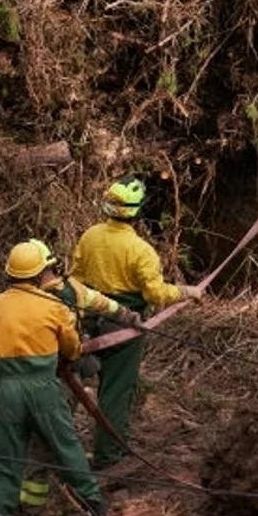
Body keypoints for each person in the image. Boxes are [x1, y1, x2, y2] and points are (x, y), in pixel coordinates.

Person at [69, 178, 200, 469]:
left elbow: (74, 278)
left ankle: (62, 444)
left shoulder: (90, 236)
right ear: (138, 211)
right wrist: (186, 292)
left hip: (88, 317)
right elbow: (155, 293)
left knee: (71, 382)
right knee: (115, 390)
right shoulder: (140, 250)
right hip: (124, 326)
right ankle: (108, 455)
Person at [7, 238, 143, 514]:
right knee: (47, 437)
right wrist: (128, 315)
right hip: (63, 375)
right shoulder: (74, 290)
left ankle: (36, 505)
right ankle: (47, 497)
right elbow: (102, 303)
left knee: (42, 439)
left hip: (43, 378)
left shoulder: (24, 301)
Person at [0, 239, 104, 516]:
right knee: (65, 446)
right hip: (42, 387)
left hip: (4, 389)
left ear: (10, 273)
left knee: (2, 460)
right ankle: (94, 504)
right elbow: (72, 350)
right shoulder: (54, 306)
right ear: (40, 274)